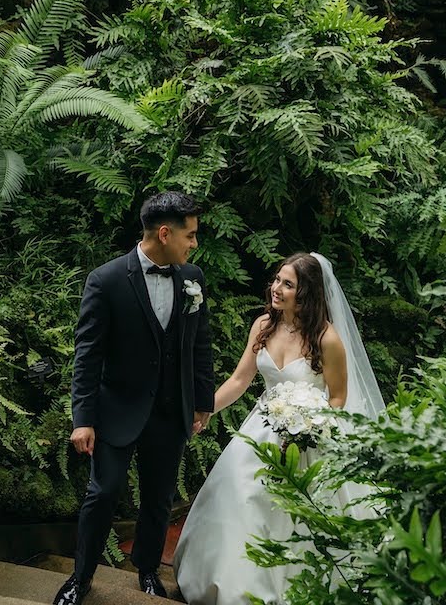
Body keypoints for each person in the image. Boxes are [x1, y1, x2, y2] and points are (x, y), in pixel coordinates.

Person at [172, 252, 385, 605]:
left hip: (310, 442)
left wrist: (307, 432)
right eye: (277, 280)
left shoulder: (327, 340)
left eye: (288, 284)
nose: (276, 288)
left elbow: (338, 400)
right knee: (239, 495)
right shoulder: (263, 326)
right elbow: (240, 381)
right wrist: (202, 411)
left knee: (296, 518)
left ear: (307, 293)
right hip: (262, 430)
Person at [53, 191, 216, 605]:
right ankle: (80, 577)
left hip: (168, 412)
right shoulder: (105, 280)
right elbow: (88, 355)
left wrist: (202, 402)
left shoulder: (192, 278)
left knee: (159, 499)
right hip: (116, 410)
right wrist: (82, 418)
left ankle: (146, 570)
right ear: (164, 233)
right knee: (102, 493)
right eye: (190, 235)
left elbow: (200, 346)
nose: (194, 243)